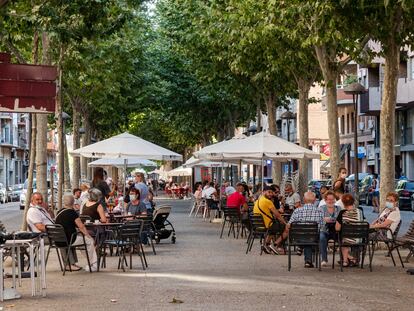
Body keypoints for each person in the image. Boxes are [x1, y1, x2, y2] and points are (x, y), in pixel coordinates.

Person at [55, 194, 98, 272]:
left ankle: (88, 262)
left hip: (58, 239)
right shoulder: (72, 213)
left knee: (83, 241)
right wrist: (89, 236)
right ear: (73, 202)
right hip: (70, 239)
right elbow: (81, 227)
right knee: (89, 241)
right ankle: (93, 264)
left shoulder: (59, 212)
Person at [287, 192, 324, 268]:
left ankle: (301, 247)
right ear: (314, 200)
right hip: (314, 237)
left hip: (298, 238)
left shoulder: (297, 211)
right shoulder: (320, 211)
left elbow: (289, 225)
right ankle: (308, 261)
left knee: (306, 237)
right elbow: (322, 226)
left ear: (303, 200)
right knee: (310, 237)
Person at [253, 185, 287, 255]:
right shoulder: (268, 201)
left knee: (275, 226)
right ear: (263, 192)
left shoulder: (258, 201)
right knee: (286, 227)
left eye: (272, 192)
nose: (271, 194)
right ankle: (275, 245)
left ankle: (266, 244)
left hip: (259, 225)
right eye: (269, 192)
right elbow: (277, 214)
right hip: (268, 225)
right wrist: (285, 222)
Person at [335, 194, 364, 267]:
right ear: (353, 202)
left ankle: (346, 260)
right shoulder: (360, 211)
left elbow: (337, 228)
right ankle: (353, 259)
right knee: (346, 238)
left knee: (342, 239)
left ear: (343, 203)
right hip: (360, 239)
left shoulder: (342, 213)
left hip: (347, 239)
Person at [319, 190, 342, 267]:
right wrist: (324, 219)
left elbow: (342, 219)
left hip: (336, 230)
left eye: (332, 199)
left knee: (343, 238)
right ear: (325, 200)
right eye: (329, 199)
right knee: (322, 237)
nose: (331, 201)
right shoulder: (321, 208)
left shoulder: (339, 208)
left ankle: (344, 259)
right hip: (325, 229)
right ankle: (324, 259)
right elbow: (318, 220)